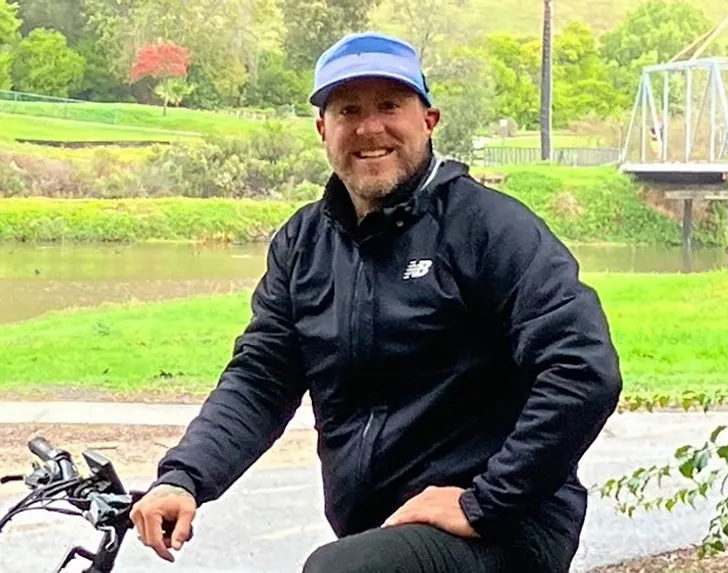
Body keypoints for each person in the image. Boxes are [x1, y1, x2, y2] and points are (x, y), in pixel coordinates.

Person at [130, 31, 623, 573]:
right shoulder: (304, 245)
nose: (370, 128)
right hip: (381, 532)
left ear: (427, 120)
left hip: (504, 524)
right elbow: (261, 379)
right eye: (348, 110)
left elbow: (582, 367)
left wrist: (485, 502)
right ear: (324, 129)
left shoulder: (489, 228)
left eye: (390, 105)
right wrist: (184, 477)